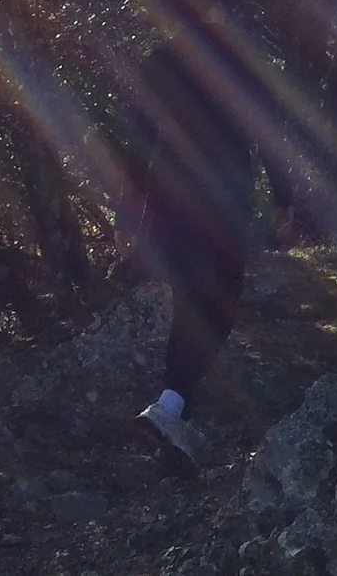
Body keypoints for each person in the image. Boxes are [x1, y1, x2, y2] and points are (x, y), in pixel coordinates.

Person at [119, 32, 278, 471]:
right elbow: (263, 125)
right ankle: (170, 408)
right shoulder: (233, 57)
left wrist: (127, 215)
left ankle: (172, 420)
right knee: (218, 310)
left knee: (191, 304)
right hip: (224, 201)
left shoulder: (160, 62)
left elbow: (137, 141)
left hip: (171, 200)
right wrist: (283, 197)